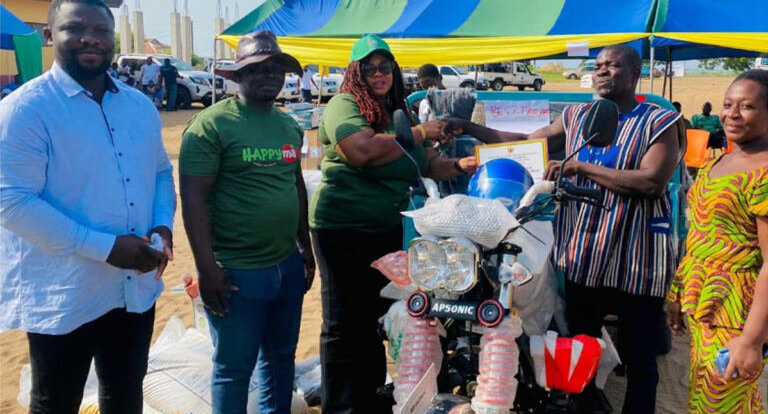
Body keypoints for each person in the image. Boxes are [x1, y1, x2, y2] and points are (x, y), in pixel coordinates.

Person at [459, 44, 683, 413]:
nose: (602, 70)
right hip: (584, 253)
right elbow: (525, 144)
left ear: (634, 74)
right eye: (598, 65)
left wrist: (580, 167)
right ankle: (587, 405)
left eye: (612, 65)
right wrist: (469, 128)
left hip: (636, 258)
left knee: (639, 358)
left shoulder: (659, 122)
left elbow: (651, 182)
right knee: (580, 347)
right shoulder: (577, 117)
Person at [0, 0, 175, 414]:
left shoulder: (138, 106)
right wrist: (105, 248)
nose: (91, 38)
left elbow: (159, 172)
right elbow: (11, 201)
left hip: (134, 283)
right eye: (75, 28)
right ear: (49, 35)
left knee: (125, 392)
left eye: (101, 30)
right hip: (66, 289)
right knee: (56, 401)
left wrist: (162, 226)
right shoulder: (26, 109)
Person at [309, 34, 477, 414]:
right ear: (356, 73)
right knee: (343, 324)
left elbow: (427, 164)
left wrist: (460, 165)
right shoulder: (344, 105)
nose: (378, 74)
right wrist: (421, 131)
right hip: (342, 228)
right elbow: (362, 151)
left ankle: (368, 400)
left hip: (384, 228)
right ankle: (341, 406)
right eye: (369, 68)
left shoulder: (397, 111)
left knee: (374, 318)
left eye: (385, 66)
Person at [180, 30, 315, 414]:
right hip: (237, 272)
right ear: (237, 75)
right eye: (257, 68)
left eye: (277, 68)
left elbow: (295, 186)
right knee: (233, 369)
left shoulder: (288, 125)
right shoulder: (210, 126)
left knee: (280, 359)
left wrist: (305, 247)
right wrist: (208, 269)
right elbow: (193, 199)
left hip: (286, 265)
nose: (269, 74)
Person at [667, 69, 768, 413]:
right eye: (728, 104)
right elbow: (701, 235)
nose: (731, 114)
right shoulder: (723, 160)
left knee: (716, 403)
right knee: (720, 399)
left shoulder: (763, 172)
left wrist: (752, 340)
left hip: (738, 315)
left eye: (747, 106)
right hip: (705, 302)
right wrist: (679, 292)